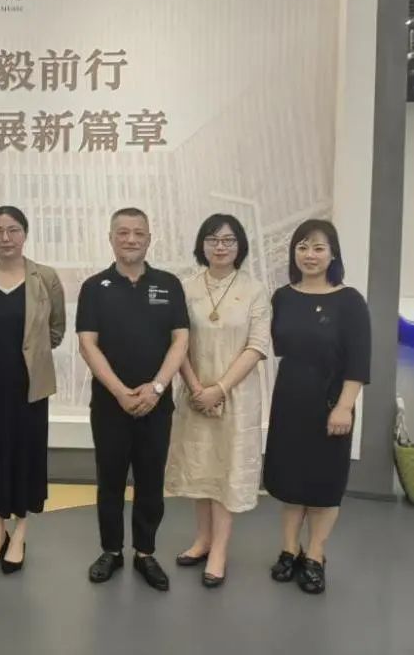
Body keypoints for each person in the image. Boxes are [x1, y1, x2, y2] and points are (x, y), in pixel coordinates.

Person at [76, 207, 189, 591]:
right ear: (111, 238)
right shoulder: (95, 287)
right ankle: (111, 550)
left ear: (149, 238)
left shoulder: (169, 284)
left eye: (138, 233)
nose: (131, 239)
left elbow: (181, 340)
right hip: (110, 405)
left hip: (157, 404)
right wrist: (121, 392)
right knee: (109, 480)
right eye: (122, 232)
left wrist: (156, 387)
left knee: (151, 480)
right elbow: (87, 344)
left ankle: (145, 552)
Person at [262, 220, 370, 594]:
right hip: (290, 400)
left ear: (333, 254)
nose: (310, 255)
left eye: (319, 247)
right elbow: (274, 346)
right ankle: (289, 550)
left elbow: (359, 361)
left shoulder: (350, 301)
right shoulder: (282, 297)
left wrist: (344, 407)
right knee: (292, 482)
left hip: (330, 403)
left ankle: (315, 555)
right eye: (303, 247)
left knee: (324, 484)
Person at [164, 214, 271, 588]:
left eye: (228, 240)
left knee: (226, 471)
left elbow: (257, 346)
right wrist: (197, 389)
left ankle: (220, 551)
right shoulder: (186, 288)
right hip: (194, 394)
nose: (220, 246)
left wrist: (219, 389)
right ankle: (203, 540)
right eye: (212, 239)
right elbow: (178, 342)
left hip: (236, 397)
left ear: (240, 245)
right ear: (202, 245)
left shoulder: (255, 290)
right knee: (201, 468)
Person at [0, 206, 66, 574]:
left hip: (29, 389)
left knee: (26, 458)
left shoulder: (45, 278)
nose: (5, 238)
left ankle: (19, 534)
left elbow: (56, 330)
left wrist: (32, 356)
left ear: (25, 233)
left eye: (13, 230)